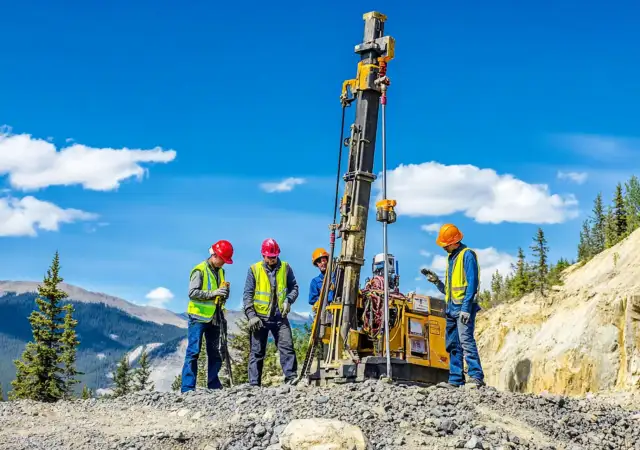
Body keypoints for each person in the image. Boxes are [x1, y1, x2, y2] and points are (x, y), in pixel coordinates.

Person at [421, 224, 485, 388]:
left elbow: (472, 283)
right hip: (451, 309)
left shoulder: (467, 255)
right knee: (453, 344)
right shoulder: (451, 258)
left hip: (463, 308)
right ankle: (456, 380)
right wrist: (437, 282)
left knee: (466, 341)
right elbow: (450, 290)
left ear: (454, 242)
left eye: (445, 244)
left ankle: (476, 377)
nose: (444, 247)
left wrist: (466, 308)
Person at [243, 238, 299, 386]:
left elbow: (294, 288)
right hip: (259, 318)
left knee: (287, 348)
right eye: (269, 257)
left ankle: (291, 378)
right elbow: (248, 295)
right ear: (263, 255)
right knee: (257, 352)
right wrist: (251, 316)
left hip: (280, 317)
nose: (272, 260)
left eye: (274, 257)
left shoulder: (286, 268)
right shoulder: (254, 270)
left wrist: (288, 300)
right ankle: (254, 385)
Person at [180, 240, 234, 392]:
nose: (224, 263)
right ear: (215, 255)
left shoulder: (221, 272)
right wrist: (214, 293)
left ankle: (213, 385)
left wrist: (223, 295)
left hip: (215, 317)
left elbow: (218, 296)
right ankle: (187, 388)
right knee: (193, 352)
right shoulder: (200, 270)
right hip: (198, 318)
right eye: (223, 259)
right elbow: (192, 293)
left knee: (214, 352)